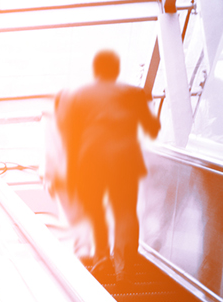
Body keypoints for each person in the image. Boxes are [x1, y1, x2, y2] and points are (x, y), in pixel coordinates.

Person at [55, 49, 160, 281]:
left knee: (95, 210)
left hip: (90, 159)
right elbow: (152, 128)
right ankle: (124, 270)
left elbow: (71, 137)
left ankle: (101, 260)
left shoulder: (78, 95)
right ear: (117, 69)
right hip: (124, 159)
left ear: (95, 70)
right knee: (124, 212)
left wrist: (71, 172)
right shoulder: (134, 93)